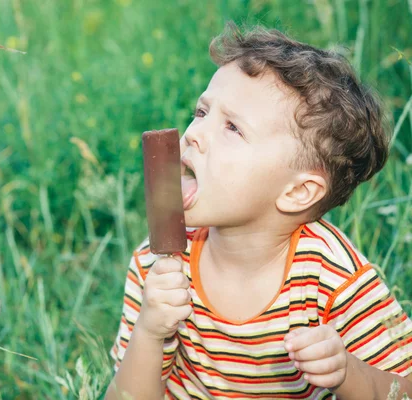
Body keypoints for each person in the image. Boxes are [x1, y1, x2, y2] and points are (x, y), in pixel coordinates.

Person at [105, 21, 412, 400]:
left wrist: (346, 371)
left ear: (298, 191)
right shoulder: (159, 268)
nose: (192, 135)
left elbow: (403, 391)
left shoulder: (335, 279)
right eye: (201, 113)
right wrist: (150, 330)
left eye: (232, 128)